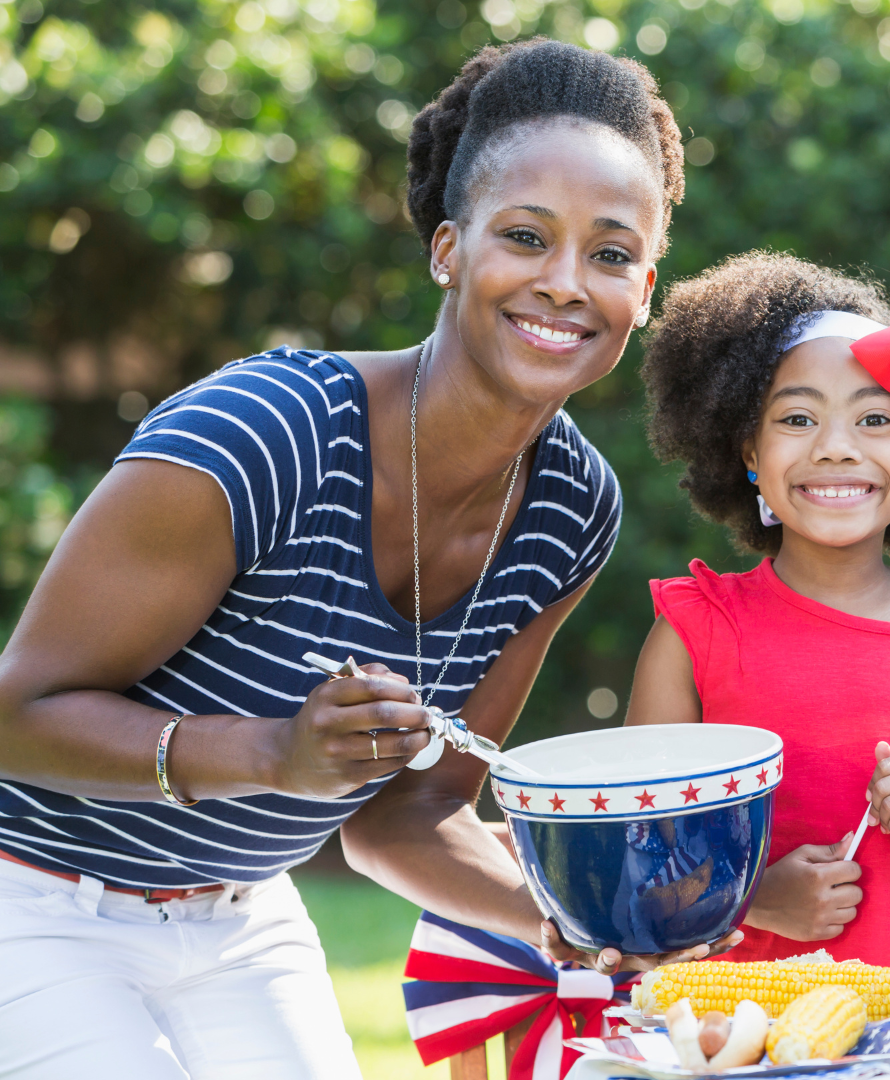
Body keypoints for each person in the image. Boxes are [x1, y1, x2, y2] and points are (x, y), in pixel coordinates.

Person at [0, 40, 730, 1078]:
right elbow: (14, 716)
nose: (566, 284)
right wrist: (269, 755)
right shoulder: (268, 431)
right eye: (526, 237)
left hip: (238, 918)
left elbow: (408, 813)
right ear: (447, 247)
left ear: (646, 288)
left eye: (611, 255)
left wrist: (562, 918)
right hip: (31, 894)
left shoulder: (570, 509)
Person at [627, 253, 890, 964]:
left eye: (876, 418)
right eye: (798, 418)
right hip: (737, 1040)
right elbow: (631, 856)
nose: (836, 448)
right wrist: (751, 896)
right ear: (748, 448)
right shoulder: (696, 631)